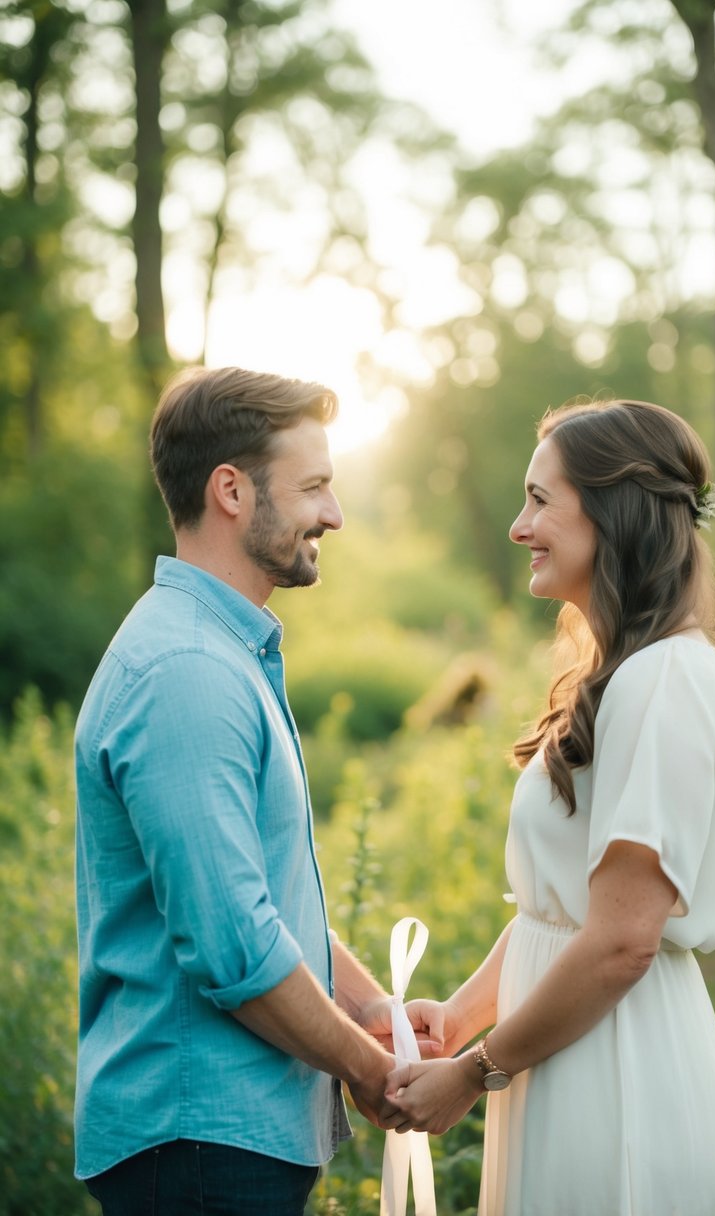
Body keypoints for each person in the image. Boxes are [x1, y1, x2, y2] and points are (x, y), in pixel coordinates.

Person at [386, 399, 715, 1215]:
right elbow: (552, 914)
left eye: (538, 500)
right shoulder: (621, 676)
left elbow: (622, 941)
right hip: (564, 1055)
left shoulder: (665, 679)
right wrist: (457, 1017)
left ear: (611, 511)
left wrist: (476, 1072)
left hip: (622, 1072)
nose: (519, 527)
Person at [74, 366, 410, 1216]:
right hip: (196, 1148)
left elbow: (255, 901)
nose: (332, 514)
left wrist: (372, 1009)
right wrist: (375, 1074)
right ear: (230, 490)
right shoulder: (187, 671)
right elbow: (233, 948)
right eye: (314, 487)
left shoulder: (218, 653)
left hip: (218, 1145)